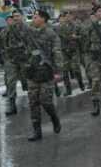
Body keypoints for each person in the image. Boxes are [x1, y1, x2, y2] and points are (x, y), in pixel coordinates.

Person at [25, 9, 63, 141]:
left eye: (35, 17)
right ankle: (37, 131)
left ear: (43, 19)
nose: (33, 19)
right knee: (33, 102)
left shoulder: (51, 34)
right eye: (33, 17)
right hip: (32, 71)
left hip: (46, 72)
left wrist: (58, 71)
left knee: (46, 101)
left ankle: (54, 118)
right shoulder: (29, 32)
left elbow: (57, 53)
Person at [4, 9, 30, 116]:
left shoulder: (28, 28)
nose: (15, 18)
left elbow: (33, 43)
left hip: (25, 59)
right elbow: (4, 42)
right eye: (14, 16)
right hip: (12, 59)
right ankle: (12, 105)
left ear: (22, 16)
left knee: (28, 81)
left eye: (17, 16)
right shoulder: (9, 29)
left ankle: (35, 101)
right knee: (10, 82)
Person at [57, 11, 84, 96]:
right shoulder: (60, 27)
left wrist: (76, 37)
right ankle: (68, 90)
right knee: (65, 71)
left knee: (75, 68)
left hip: (74, 50)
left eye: (69, 16)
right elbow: (57, 39)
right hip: (64, 51)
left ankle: (80, 82)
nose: (68, 18)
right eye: (66, 16)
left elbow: (84, 37)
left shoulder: (77, 26)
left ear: (72, 17)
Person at [0, 15, 13, 97]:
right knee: (7, 75)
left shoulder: (18, 29)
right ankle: (9, 90)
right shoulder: (3, 31)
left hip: (19, 56)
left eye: (11, 20)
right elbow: (0, 42)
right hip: (7, 56)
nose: (9, 21)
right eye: (8, 20)